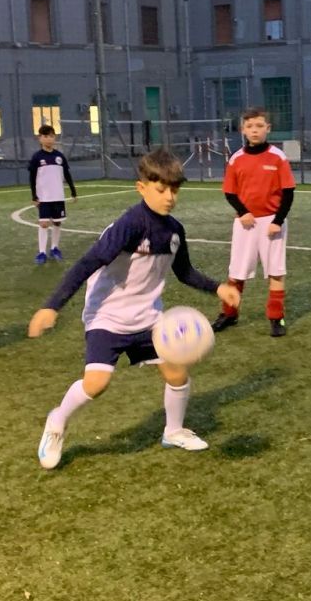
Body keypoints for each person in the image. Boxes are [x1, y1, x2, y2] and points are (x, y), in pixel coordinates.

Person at [29, 148, 242, 470]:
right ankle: (57, 421)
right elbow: (88, 263)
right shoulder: (129, 224)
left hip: (148, 317)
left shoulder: (174, 231)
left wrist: (217, 288)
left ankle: (174, 431)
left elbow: (184, 272)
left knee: (176, 373)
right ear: (141, 188)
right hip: (107, 316)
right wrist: (52, 307)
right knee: (96, 384)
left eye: (174, 190)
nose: (169, 197)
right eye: (161, 189)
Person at [214, 107, 296, 337]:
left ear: (268, 128)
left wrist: (277, 221)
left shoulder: (278, 157)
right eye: (249, 126)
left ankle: (276, 317)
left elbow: (288, 192)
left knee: (276, 272)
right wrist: (243, 213)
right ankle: (229, 313)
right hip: (245, 224)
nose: (254, 130)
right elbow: (230, 192)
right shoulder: (236, 158)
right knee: (236, 272)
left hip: (272, 223)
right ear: (243, 130)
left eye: (259, 126)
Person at [27, 125, 77, 264]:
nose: (49, 139)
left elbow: (67, 174)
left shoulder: (59, 157)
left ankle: (55, 248)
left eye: (51, 136)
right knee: (44, 223)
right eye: (45, 136)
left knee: (57, 222)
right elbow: (32, 178)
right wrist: (34, 196)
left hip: (58, 196)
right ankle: (42, 252)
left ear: (55, 137)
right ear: (40, 138)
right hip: (43, 197)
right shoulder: (37, 157)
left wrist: (73, 191)